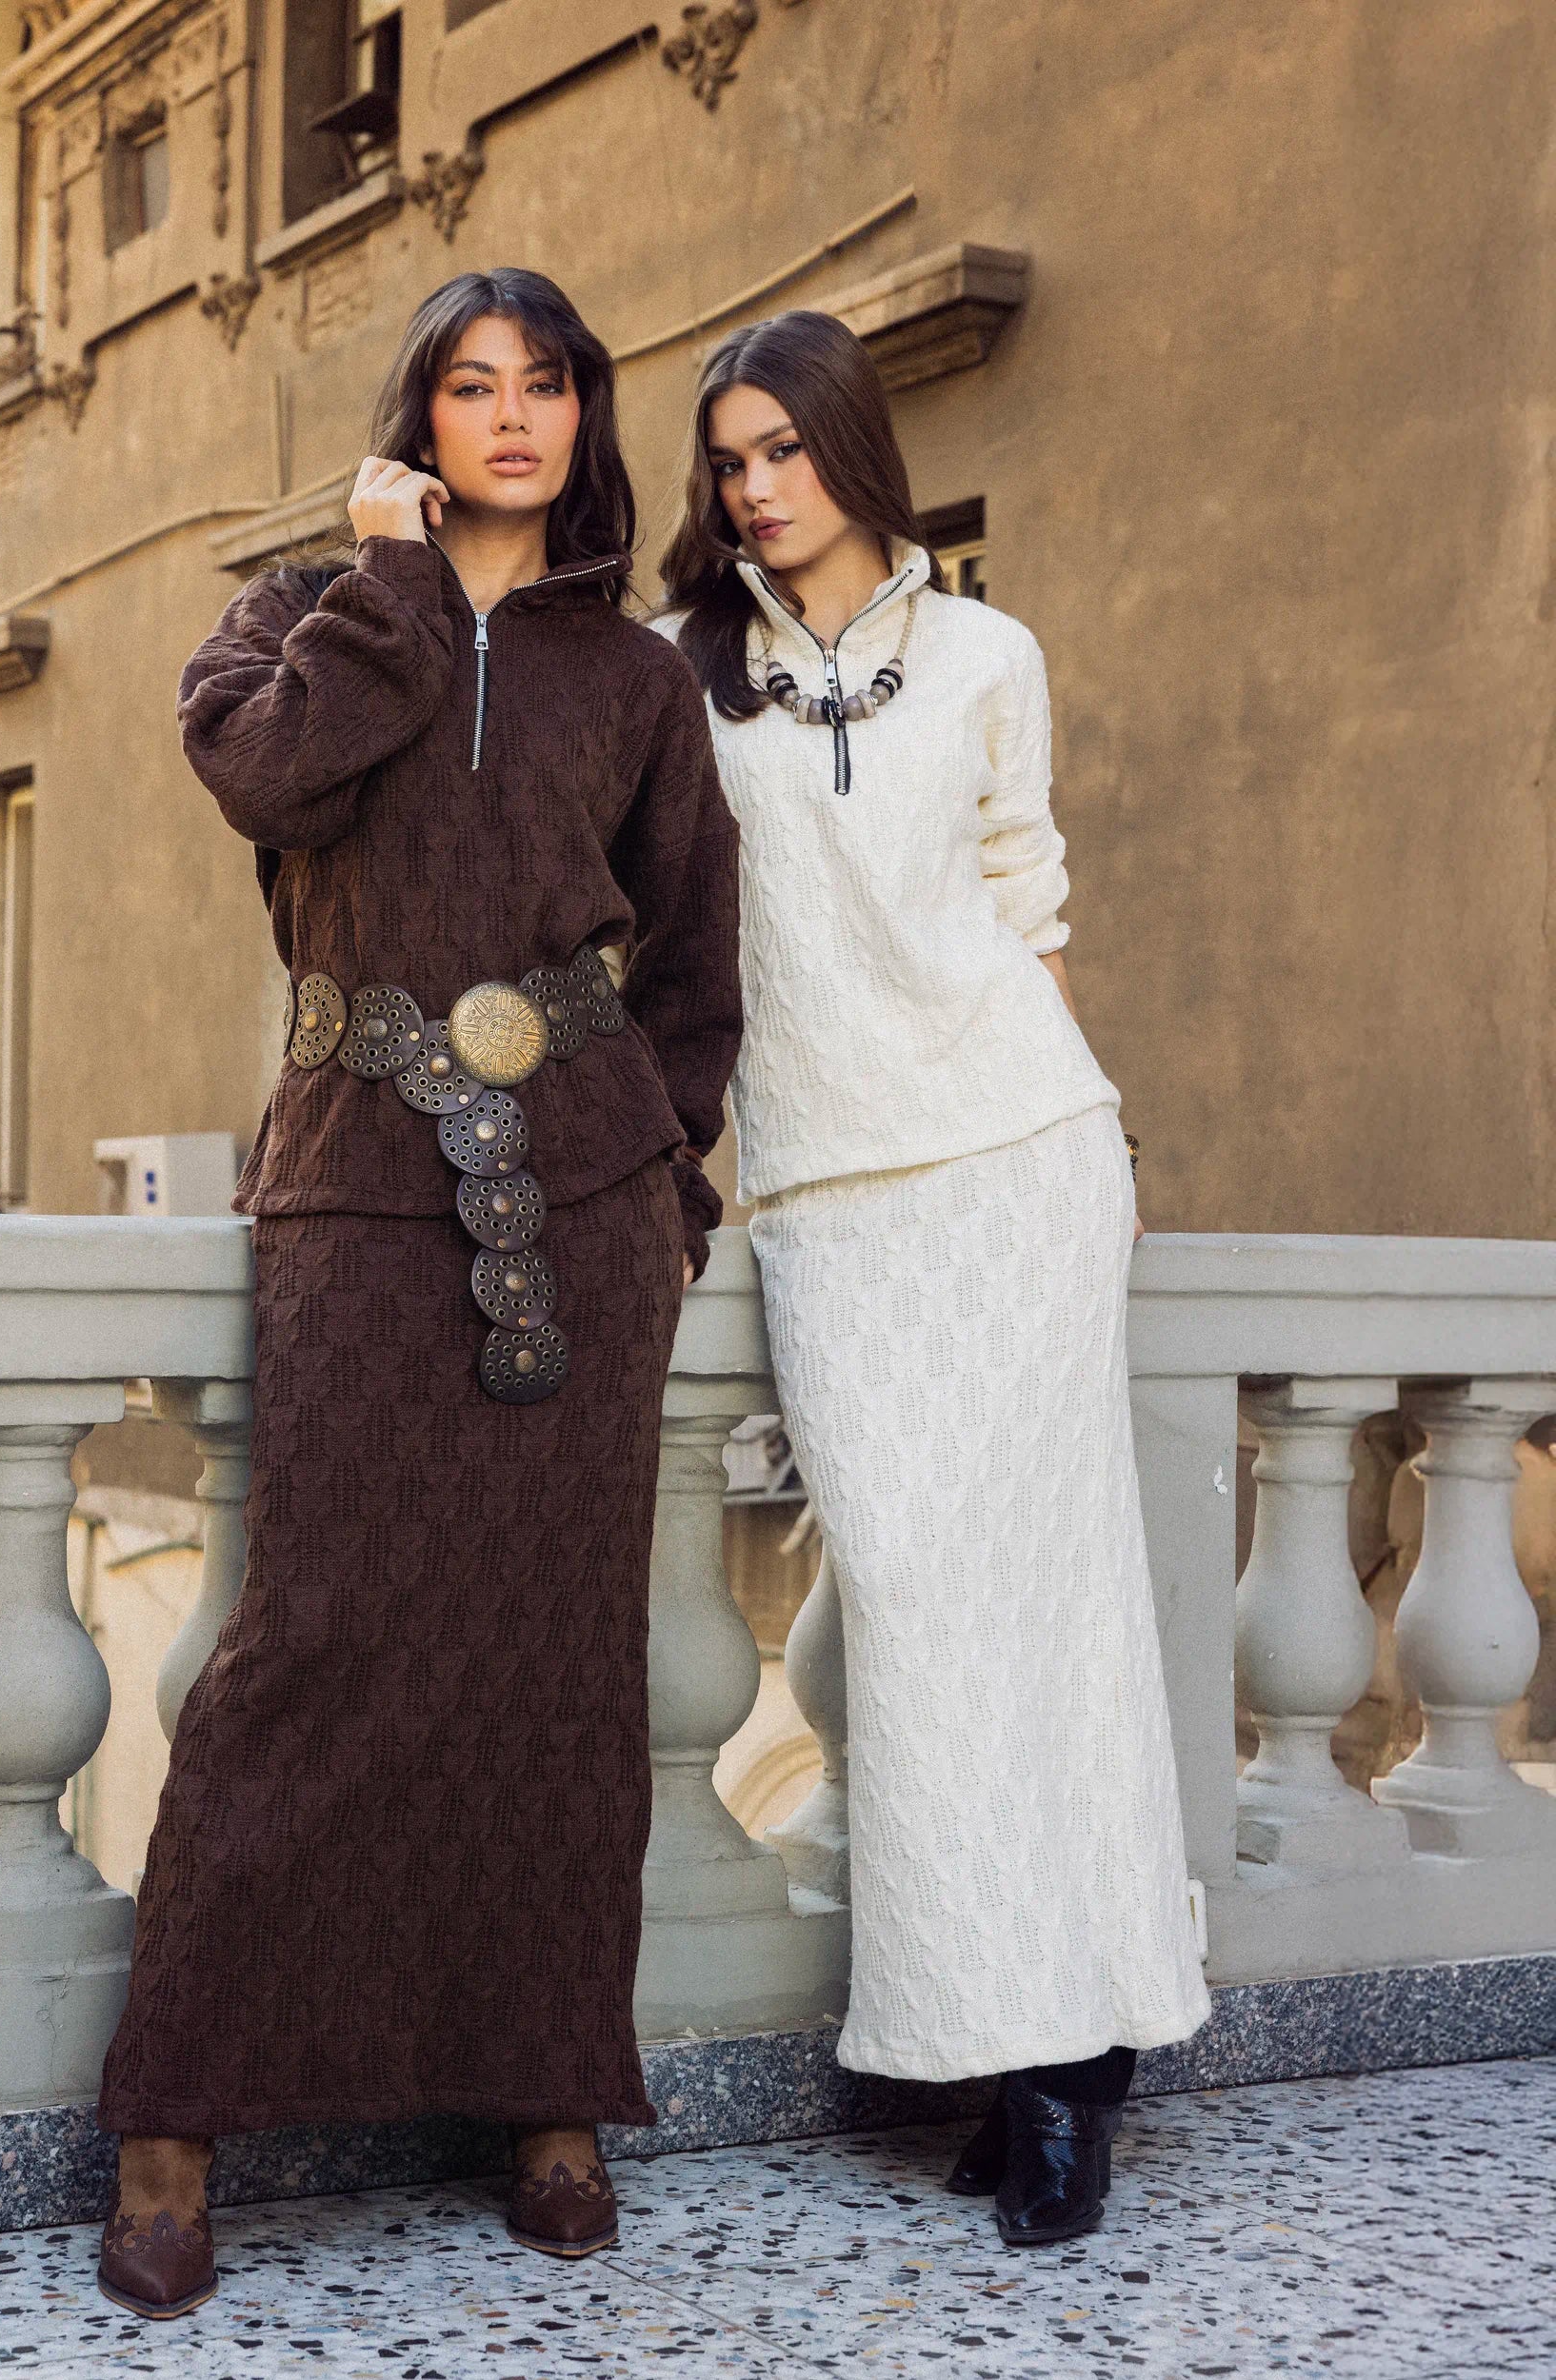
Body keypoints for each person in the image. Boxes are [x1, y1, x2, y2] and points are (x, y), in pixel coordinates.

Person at [93, 268, 740, 2317]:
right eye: (473, 387)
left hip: (590, 1202)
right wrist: (388, 585)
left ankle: (551, 2089)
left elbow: (702, 963)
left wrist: (665, 1176)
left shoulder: (637, 678)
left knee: (563, 1659)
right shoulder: (295, 619)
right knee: (315, 1643)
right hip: (359, 1187)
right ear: (419, 419)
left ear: (584, 420)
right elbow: (271, 785)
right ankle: (176, 2119)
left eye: (546, 385)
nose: (514, 417)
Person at [657, 308, 1208, 2248]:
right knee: (904, 1600)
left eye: (786, 444)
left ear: (851, 447)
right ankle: (1029, 2030)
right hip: (823, 1189)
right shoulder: (683, 673)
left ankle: (1057, 2073)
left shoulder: (988, 651)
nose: (756, 482)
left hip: (1012, 1154)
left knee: (1050, 1602)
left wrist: (1103, 1133)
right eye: (728, 454)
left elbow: (1022, 898)